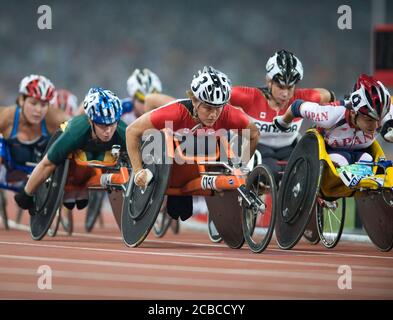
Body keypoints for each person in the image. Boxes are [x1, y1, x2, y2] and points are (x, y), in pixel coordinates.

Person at [125, 66, 259, 221]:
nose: (213, 114)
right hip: (174, 168)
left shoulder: (229, 114)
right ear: (195, 101)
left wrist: (241, 166)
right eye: (208, 108)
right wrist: (138, 171)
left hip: (206, 163)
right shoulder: (176, 112)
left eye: (218, 108)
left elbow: (254, 134)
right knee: (179, 211)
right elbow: (132, 131)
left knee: (222, 144)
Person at [229, 49, 334, 183]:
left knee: (303, 172)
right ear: (269, 82)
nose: (285, 94)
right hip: (258, 148)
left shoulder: (303, 97)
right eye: (280, 87)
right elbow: (220, 96)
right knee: (271, 170)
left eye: (290, 88)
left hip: (288, 148)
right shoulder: (250, 97)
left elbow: (327, 95)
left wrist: (328, 117)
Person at [14, 87, 127, 212]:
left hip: (99, 157)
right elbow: (47, 164)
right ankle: (71, 186)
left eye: (112, 124)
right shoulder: (75, 133)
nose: (108, 131)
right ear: (90, 120)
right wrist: (27, 193)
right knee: (69, 157)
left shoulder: (123, 132)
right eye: (102, 125)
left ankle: (82, 186)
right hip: (76, 153)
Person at [274, 74, 393, 168]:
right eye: (369, 120)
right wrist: (284, 122)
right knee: (343, 160)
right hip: (327, 151)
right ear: (353, 112)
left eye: (379, 120)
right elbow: (297, 106)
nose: (376, 126)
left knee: (367, 159)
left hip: (360, 152)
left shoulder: (386, 114)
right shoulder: (330, 115)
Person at [0, 74, 68, 190]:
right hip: (10, 172)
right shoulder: (6, 117)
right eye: (33, 103)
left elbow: (78, 129)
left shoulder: (55, 119)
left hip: (42, 173)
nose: (38, 110)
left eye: (43, 105)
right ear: (22, 100)